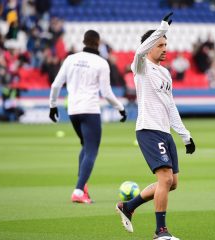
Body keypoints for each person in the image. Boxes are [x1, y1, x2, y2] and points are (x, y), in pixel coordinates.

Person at [115, 12, 195, 240]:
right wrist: (162, 28)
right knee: (165, 179)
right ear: (150, 47)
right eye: (160, 44)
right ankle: (161, 232)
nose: (164, 48)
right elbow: (140, 51)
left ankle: (128, 206)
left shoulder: (166, 73)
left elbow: (171, 106)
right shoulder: (141, 67)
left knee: (173, 183)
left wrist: (185, 136)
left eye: (165, 44)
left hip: (164, 132)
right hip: (148, 130)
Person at [49, 29, 127, 204]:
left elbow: (55, 85)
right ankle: (78, 191)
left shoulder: (70, 59)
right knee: (92, 150)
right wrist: (120, 108)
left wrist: (52, 106)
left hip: (73, 111)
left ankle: (82, 187)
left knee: (85, 146)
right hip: (90, 110)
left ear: (84, 41)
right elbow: (106, 93)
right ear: (98, 43)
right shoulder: (101, 63)